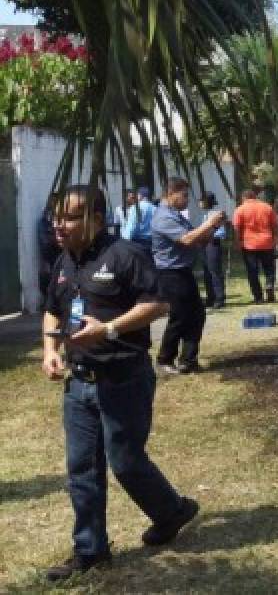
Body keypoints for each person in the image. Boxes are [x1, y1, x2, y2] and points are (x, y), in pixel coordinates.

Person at [41, 185, 199, 582]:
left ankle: (171, 511)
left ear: (96, 218)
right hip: (79, 384)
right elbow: (51, 313)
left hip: (124, 377)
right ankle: (90, 550)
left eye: (71, 217)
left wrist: (108, 329)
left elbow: (158, 304)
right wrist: (50, 350)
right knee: (81, 469)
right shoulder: (63, 261)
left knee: (126, 461)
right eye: (57, 216)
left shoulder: (125, 255)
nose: (60, 225)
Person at [151, 178, 225, 374]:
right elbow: (186, 239)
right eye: (184, 195)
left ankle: (188, 360)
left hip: (183, 271)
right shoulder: (163, 217)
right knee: (180, 316)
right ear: (171, 193)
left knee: (196, 314)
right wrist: (208, 222)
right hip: (170, 273)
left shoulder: (177, 216)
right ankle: (164, 359)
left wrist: (214, 227)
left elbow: (197, 238)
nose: (186, 200)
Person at [232, 189, 278, 304]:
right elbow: (275, 226)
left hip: (249, 245)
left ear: (244, 198)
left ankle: (258, 297)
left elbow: (237, 228)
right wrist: (277, 240)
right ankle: (269, 285)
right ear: (254, 196)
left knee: (252, 272)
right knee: (269, 268)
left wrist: (237, 242)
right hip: (267, 243)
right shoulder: (267, 207)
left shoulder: (240, 210)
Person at [198, 192, 228, 309]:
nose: (200, 203)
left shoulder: (216, 214)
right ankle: (210, 297)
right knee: (207, 272)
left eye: (202, 200)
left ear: (207, 201)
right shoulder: (205, 214)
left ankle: (219, 298)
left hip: (212, 244)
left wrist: (207, 235)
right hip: (204, 245)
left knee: (215, 272)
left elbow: (221, 233)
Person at [38, 194, 62, 299]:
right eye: (53, 202)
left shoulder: (61, 218)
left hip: (59, 255)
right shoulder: (44, 221)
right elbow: (46, 242)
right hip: (50, 256)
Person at [121, 187, 156, 255]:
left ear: (140, 195)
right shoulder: (155, 208)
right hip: (151, 243)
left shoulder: (135, 208)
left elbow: (131, 227)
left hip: (137, 243)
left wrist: (123, 243)